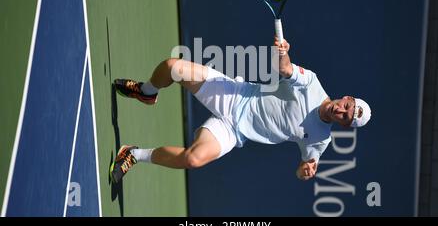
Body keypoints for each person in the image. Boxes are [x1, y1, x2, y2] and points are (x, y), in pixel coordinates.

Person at [110, 38, 371, 184]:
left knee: (193, 159)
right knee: (172, 67)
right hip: (235, 95)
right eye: (347, 106)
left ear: (346, 125)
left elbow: (305, 165)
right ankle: (146, 91)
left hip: (234, 132)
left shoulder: (320, 140)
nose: (342, 111)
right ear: (346, 97)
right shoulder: (311, 83)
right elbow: (285, 70)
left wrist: (303, 173)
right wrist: (282, 53)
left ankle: (133, 154)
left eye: (346, 117)